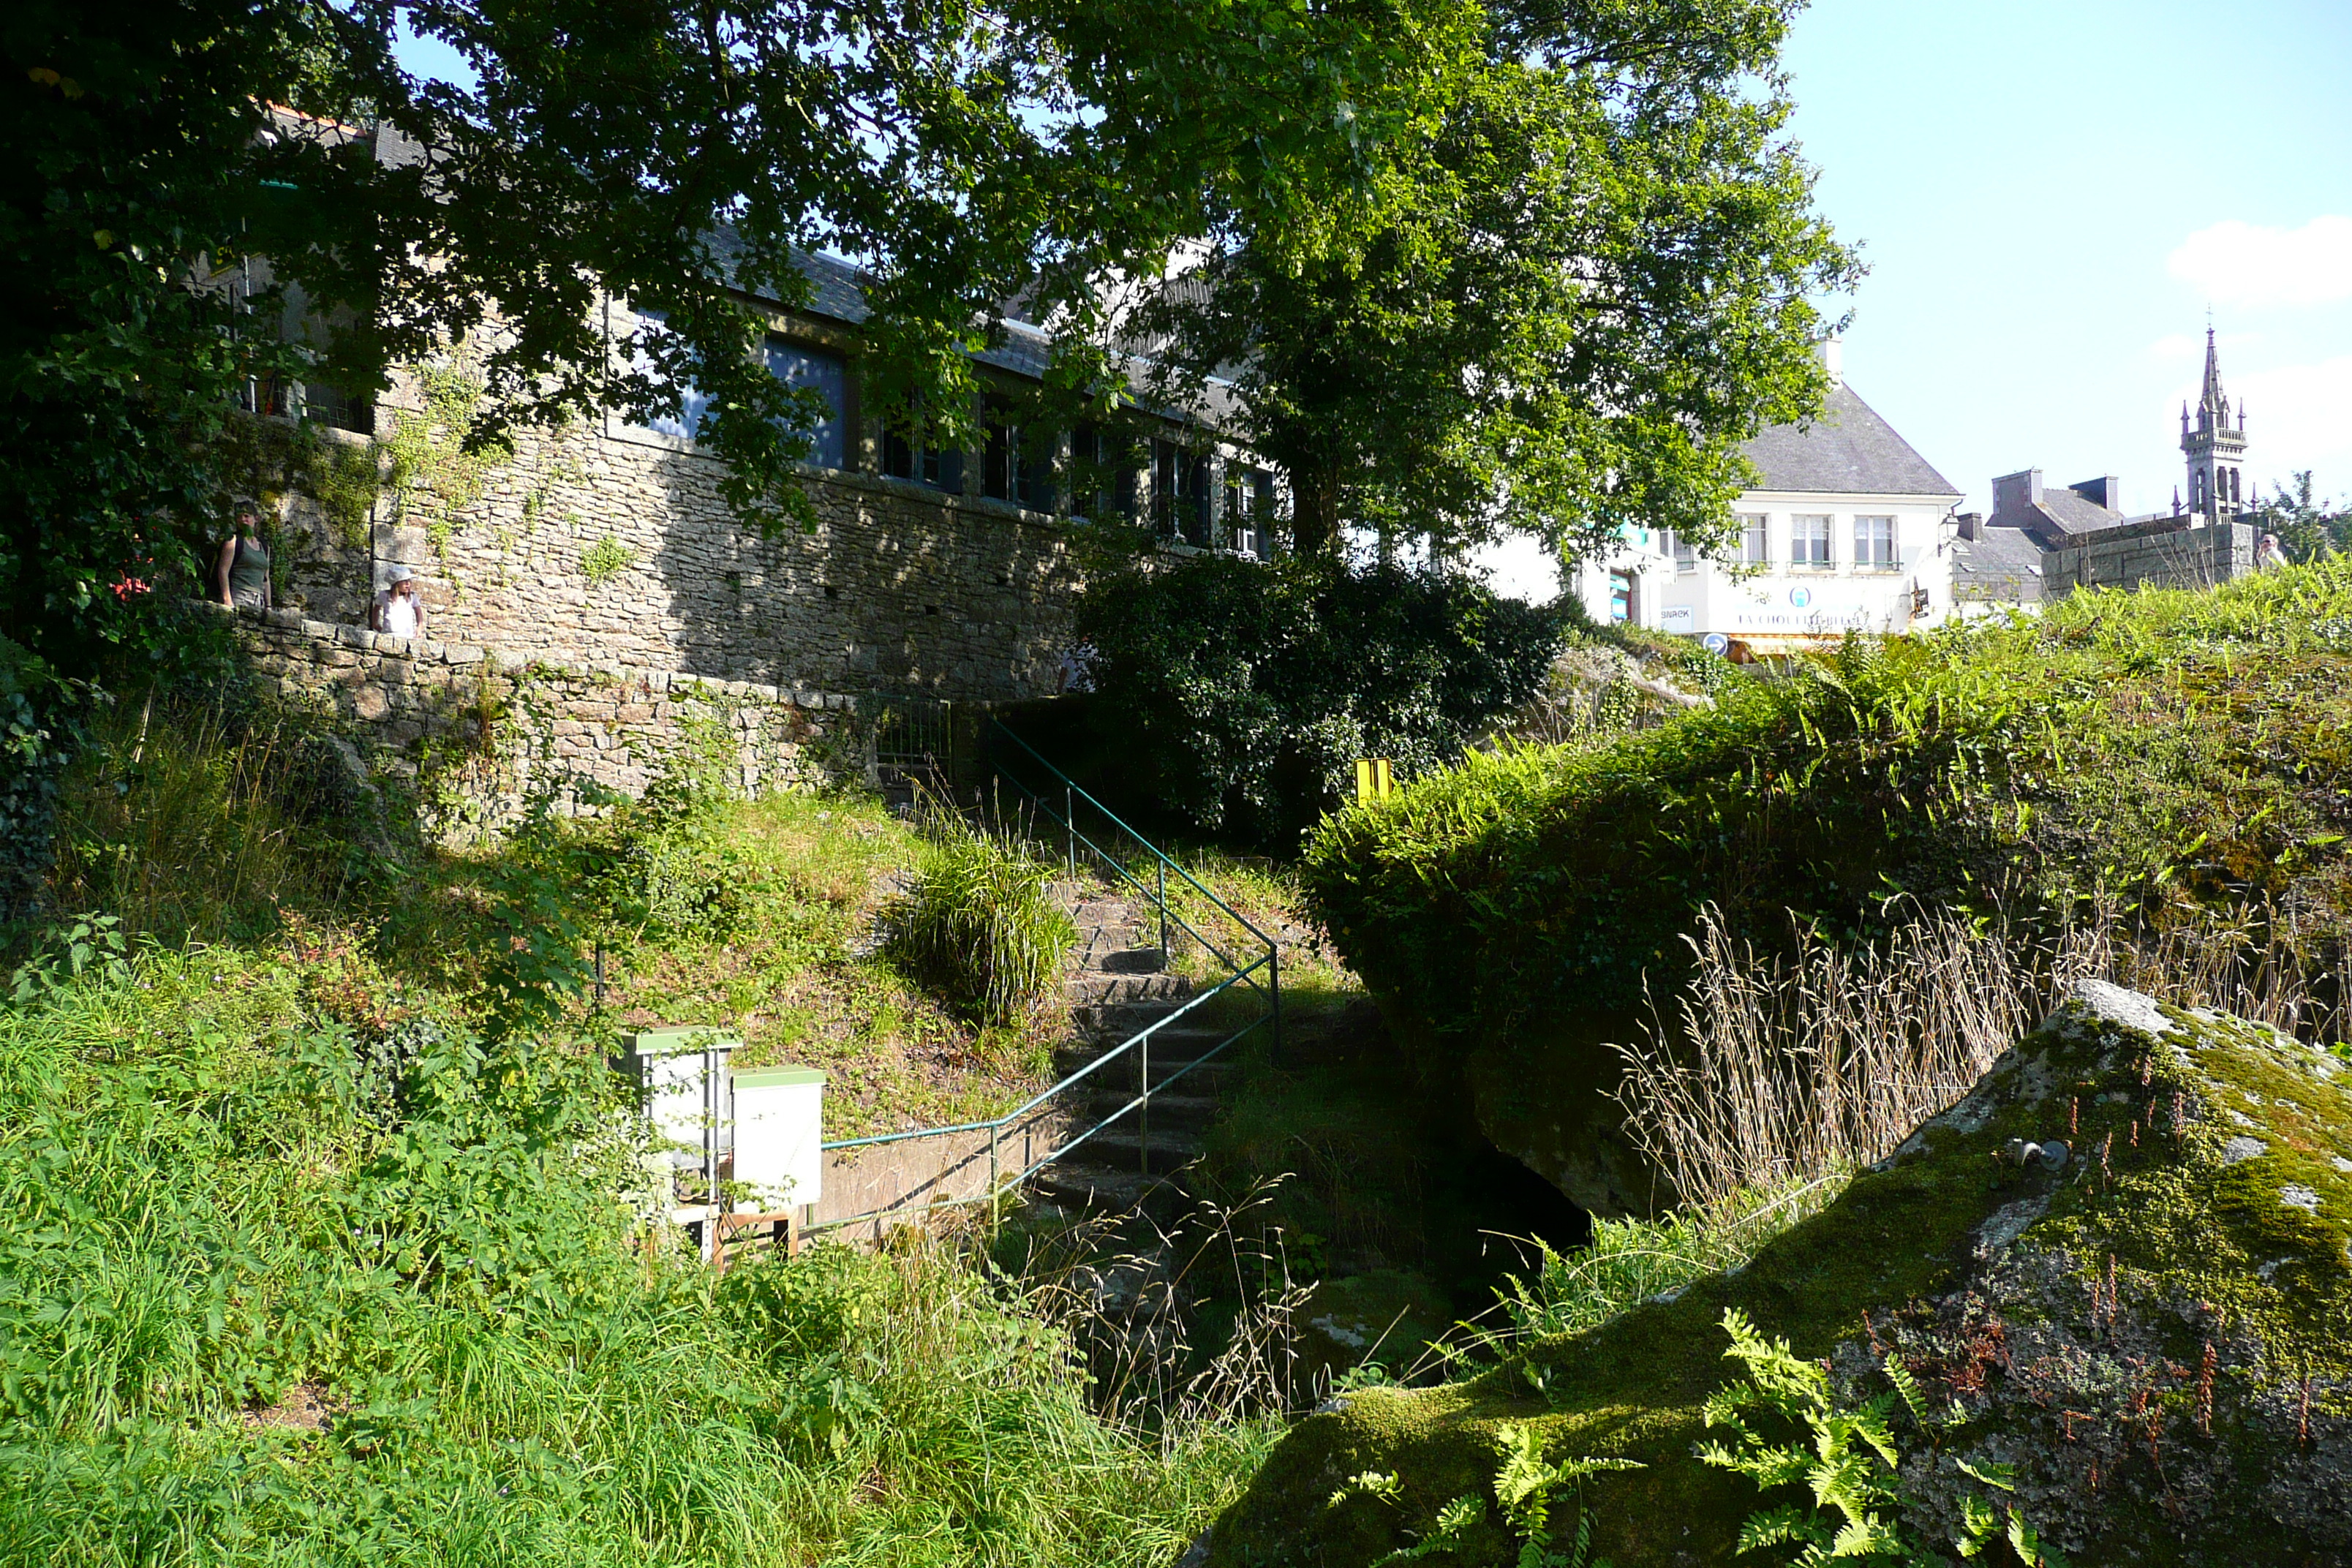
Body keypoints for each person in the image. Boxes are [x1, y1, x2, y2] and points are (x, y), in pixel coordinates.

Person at [213, 503, 272, 611]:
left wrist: (268, 606)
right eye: (239, 517)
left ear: (256, 518)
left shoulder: (264, 546)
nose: (242, 520)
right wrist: (228, 600)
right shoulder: (233, 541)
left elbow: (266, 579)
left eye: (246, 516)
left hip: (258, 600)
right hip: (239, 596)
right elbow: (223, 571)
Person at [371, 565, 429, 639]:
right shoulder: (384, 595)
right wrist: (375, 624)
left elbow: (418, 612)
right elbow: (376, 609)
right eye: (404, 581)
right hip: (388, 635)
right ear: (396, 583)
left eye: (409, 580)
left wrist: (419, 628)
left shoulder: (412, 597)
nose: (408, 583)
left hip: (407, 636)